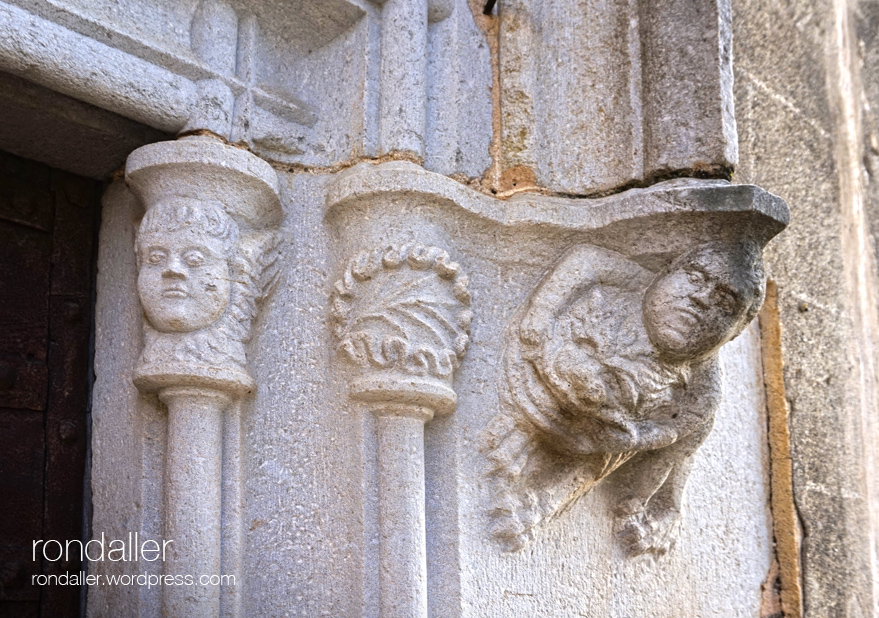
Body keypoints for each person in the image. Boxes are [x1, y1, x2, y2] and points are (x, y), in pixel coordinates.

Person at [483, 240, 766, 555]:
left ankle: (641, 505)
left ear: (735, 332)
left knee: (665, 448)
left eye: (725, 303)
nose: (700, 299)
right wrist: (540, 315)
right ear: (667, 272)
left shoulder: (703, 385)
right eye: (696, 278)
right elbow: (585, 259)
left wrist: (638, 437)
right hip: (558, 376)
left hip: (613, 430)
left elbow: (682, 426)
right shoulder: (632, 284)